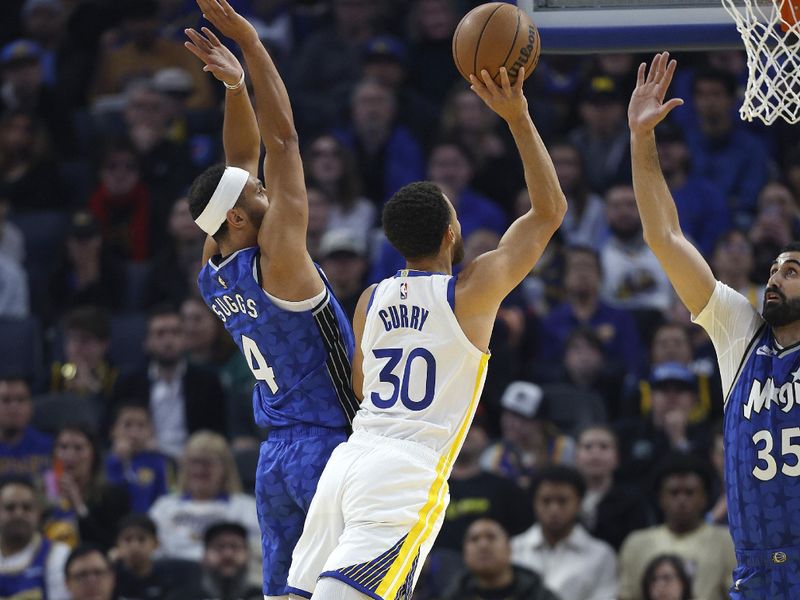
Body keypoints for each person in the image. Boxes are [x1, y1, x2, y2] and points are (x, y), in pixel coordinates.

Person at [287, 63, 567, 599]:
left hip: (348, 462)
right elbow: (550, 211)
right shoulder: (472, 291)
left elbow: (360, 387)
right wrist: (518, 116)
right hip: (404, 474)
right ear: (450, 233)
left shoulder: (371, 297)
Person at [184, 2, 359, 596]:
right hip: (326, 444)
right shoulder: (280, 258)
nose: (264, 183)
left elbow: (239, 163)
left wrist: (235, 88)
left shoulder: (212, 269)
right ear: (237, 214)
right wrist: (254, 47)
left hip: (274, 461)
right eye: (256, 190)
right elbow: (282, 141)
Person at [628, 51, 800, 598]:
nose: (774, 278)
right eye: (772, 270)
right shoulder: (741, 333)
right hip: (756, 570)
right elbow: (667, 238)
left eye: (792, 271)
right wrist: (641, 140)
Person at [112, 305, 227, 458]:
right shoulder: (128, 382)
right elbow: (112, 427)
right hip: (142, 459)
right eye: (160, 334)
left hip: (192, 462)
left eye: (175, 332)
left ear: (185, 339)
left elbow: (218, 433)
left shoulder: (207, 381)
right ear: (147, 342)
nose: (168, 340)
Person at [617, 456, 735, 600]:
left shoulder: (726, 541)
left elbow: (738, 594)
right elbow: (627, 596)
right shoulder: (636, 543)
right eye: (674, 492)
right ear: (660, 498)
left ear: (704, 498)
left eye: (689, 492)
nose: (681, 500)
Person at [147, 431, 260, 579]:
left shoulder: (246, 507)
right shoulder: (163, 508)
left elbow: (257, 553)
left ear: (225, 468)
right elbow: (151, 552)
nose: (200, 469)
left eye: (207, 463)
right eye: (194, 462)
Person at [511, 466, 618, 600]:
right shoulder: (513, 550)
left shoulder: (601, 555)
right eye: (546, 501)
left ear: (579, 503)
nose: (554, 509)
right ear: (534, 503)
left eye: (562, 501)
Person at [41, 426, 130, 551]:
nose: (69, 455)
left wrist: (79, 507)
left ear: (93, 455)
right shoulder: (39, 494)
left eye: (78, 448)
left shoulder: (112, 495)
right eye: (63, 447)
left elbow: (111, 545)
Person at [442, 518, 560, 600]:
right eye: (474, 539)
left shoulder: (539, 595)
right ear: (464, 552)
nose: (483, 545)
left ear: (509, 548)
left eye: (491, 537)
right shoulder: (452, 595)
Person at [575, 425, 650, 551]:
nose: (595, 453)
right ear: (576, 457)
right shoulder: (565, 497)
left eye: (604, 447)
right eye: (588, 447)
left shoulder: (631, 501)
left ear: (617, 458)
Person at [0, 476, 70, 600]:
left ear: (38, 513)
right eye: (10, 507)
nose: (19, 514)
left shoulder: (57, 555)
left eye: (27, 508)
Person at [165, 522, 263, 600]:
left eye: (235, 547)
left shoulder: (265, 597)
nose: (227, 554)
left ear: (248, 555)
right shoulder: (182, 597)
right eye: (219, 547)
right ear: (204, 556)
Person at [104, 403, 173, 513]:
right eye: (127, 425)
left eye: (141, 426)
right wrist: (118, 461)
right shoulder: (105, 462)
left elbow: (163, 501)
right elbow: (109, 499)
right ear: (113, 431)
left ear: (150, 432)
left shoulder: (157, 462)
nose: (134, 433)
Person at [113, 513, 197, 600]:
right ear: (117, 544)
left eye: (141, 539)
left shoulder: (172, 577)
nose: (135, 546)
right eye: (128, 539)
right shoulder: (109, 576)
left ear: (156, 543)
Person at [0, 375, 52, 480]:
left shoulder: (50, 447)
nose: (14, 407)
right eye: (6, 400)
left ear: (31, 407)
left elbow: (54, 493)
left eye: (21, 400)